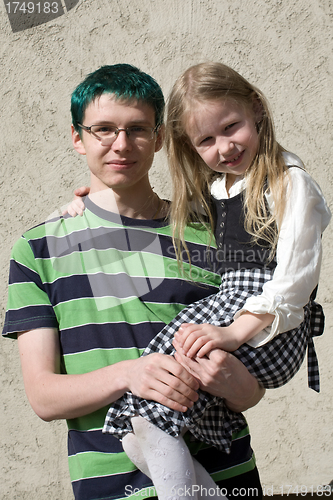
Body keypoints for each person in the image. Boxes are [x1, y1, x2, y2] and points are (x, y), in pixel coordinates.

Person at [2, 64, 266, 500]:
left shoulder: (212, 231)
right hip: (111, 488)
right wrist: (131, 374)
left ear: (160, 138)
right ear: (77, 138)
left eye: (137, 129)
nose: (121, 144)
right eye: (103, 129)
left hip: (228, 476)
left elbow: (250, 390)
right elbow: (44, 397)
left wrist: (234, 380)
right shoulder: (38, 249)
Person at [68, 62, 331, 499]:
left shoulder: (289, 184)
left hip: (269, 325)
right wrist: (86, 205)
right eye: (206, 140)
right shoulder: (219, 191)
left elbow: (294, 281)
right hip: (238, 312)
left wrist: (232, 332)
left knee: (156, 407)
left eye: (231, 127)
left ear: (257, 110)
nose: (224, 147)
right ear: (191, 146)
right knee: (137, 436)